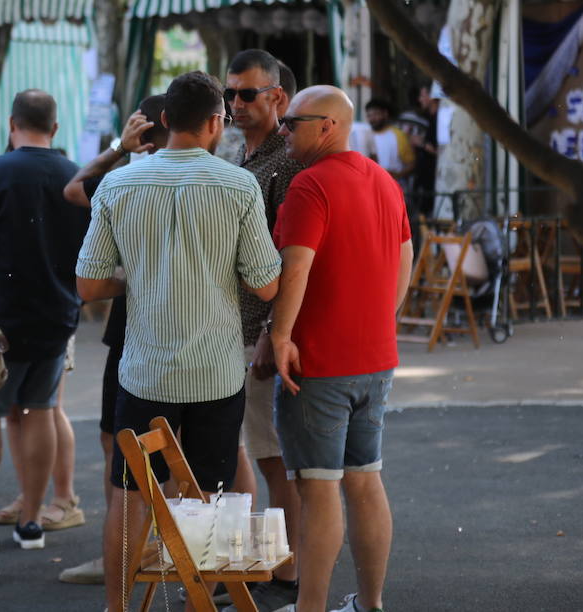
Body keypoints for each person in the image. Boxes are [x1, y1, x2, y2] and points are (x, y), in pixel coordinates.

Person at [75, 72, 281, 611]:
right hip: (216, 371)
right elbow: (266, 284)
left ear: (164, 119)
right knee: (207, 496)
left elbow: (89, 286)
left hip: (144, 370)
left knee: (130, 496)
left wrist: (141, 278)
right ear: (216, 122)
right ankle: (198, 606)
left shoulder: (119, 185)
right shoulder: (239, 186)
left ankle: (118, 608)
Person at [266, 86, 413, 612]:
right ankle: (370, 604)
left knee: (319, 488)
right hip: (375, 360)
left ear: (327, 126)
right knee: (365, 480)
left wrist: (280, 336)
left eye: (292, 122)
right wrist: (379, 320)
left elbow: (296, 266)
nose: (283, 130)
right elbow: (405, 257)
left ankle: (310, 607)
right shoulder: (383, 180)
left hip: (320, 362)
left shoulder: (310, 184)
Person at [0, 90, 88, 554]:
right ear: (55, 128)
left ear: (12, 124)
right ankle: (31, 521)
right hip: (57, 314)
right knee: (39, 411)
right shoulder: (75, 175)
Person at [57, 98, 165, 586]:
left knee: (122, 448)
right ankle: (181, 559)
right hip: (201, 336)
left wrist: (120, 147)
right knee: (194, 453)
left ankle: (129, 557)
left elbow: (73, 188)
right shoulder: (225, 180)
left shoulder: (126, 182)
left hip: (135, 332)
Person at [224, 49, 305, 611]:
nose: (236, 104)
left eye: (247, 94)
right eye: (229, 94)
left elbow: (291, 262)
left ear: (277, 97)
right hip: (235, 330)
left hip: (261, 336)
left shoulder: (288, 163)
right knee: (248, 455)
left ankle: (286, 572)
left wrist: (271, 334)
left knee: (274, 459)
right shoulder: (242, 153)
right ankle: (262, 567)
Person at [364, 99, 414, 186]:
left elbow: (411, 164)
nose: (372, 119)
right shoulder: (365, 135)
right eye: (369, 115)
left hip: (395, 185)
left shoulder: (398, 135)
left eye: (376, 114)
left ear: (385, 114)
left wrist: (398, 175)